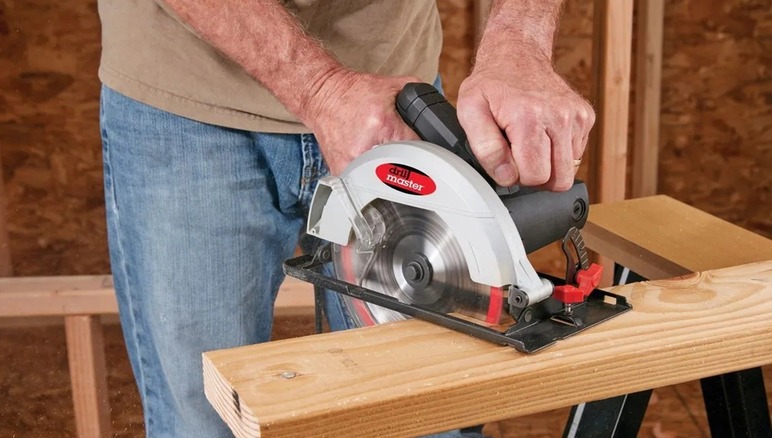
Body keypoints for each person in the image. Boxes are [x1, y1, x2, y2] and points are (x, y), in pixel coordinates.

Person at [96, 0, 594, 436]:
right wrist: (320, 90)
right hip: (189, 96)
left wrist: (519, 39)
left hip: (393, 107)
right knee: (206, 415)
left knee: (422, 408)